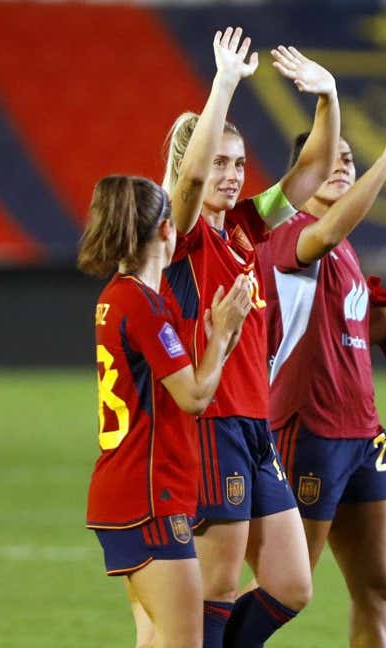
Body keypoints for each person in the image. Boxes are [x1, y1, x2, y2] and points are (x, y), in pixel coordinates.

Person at [257, 103, 386, 648]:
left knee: (379, 586)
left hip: (362, 433)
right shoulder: (291, 234)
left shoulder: (343, 245)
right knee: (284, 588)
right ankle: (203, 634)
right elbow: (323, 238)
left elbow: (367, 325)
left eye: (351, 158)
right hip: (311, 430)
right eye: (331, 158)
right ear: (302, 173)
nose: (344, 164)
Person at [158, 34, 341, 648]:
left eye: (239, 164)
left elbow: (311, 169)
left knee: (292, 583)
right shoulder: (178, 233)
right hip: (211, 426)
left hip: (254, 427)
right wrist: (224, 83)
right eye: (221, 163)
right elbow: (186, 181)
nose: (232, 176)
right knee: (217, 589)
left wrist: (328, 98)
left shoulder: (244, 225)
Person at [77, 28, 257, 647]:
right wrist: (223, 334)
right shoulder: (145, 304)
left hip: (128, 491)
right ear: (159, 229)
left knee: (155, 641)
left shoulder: (119, 298)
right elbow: (196, 395)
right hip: (149, 498)